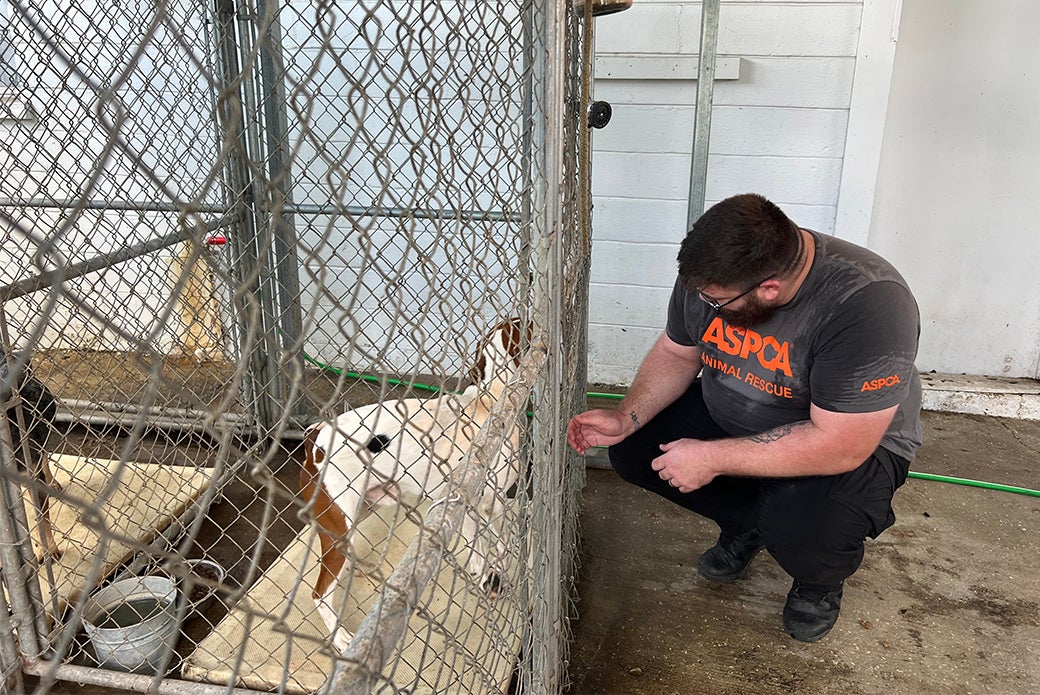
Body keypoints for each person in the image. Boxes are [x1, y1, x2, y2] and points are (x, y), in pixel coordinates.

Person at [568, 193, 921, 643]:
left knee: (799, 521)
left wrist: (711, 458)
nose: (704, 303)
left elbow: (841, 444)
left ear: (768, 289)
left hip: (850, 442)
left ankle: (817, 580)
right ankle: (747, 526)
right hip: (736, 410)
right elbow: (677, 353)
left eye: (714, 301)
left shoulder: (868, 302)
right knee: (636, 450)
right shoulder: (714, 275)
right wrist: (626, 417)